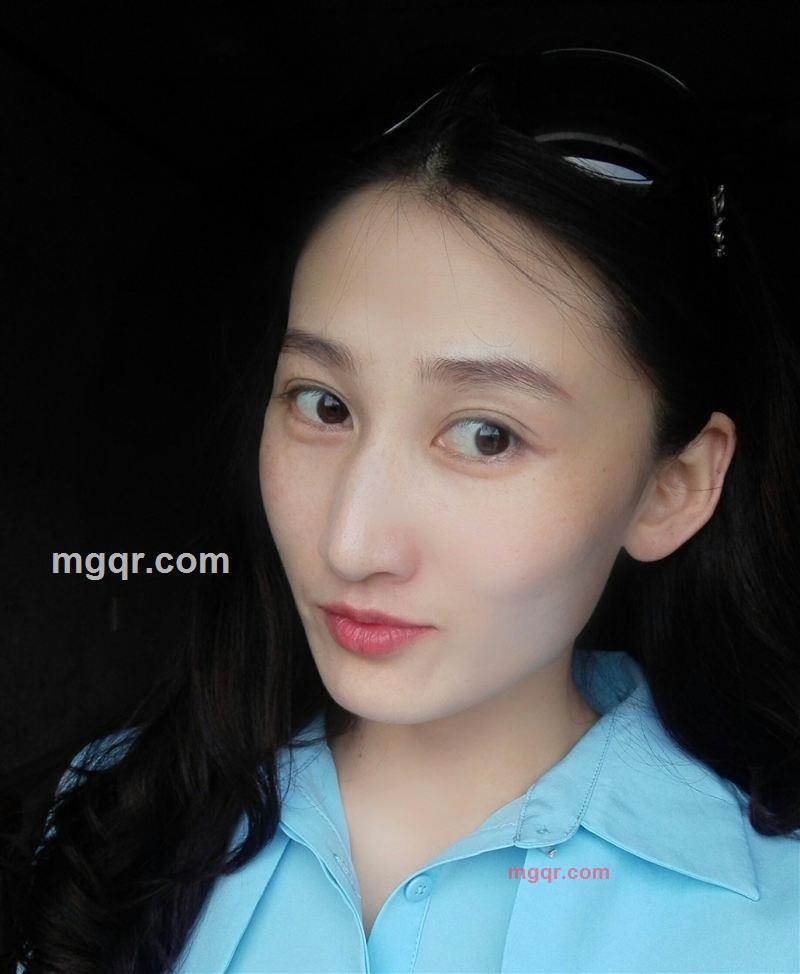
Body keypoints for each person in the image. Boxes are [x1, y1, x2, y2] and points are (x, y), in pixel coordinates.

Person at [14, 46, 800, 973]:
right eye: (324, 405)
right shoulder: (105, 816)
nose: (349, 543)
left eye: (487, 436)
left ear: (673, 489)